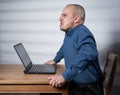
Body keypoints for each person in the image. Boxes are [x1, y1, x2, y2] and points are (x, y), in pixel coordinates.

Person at [45, 4, 104, 95]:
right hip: (76, 84)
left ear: (76, 19)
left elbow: (87, 55)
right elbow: (64, 46)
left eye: (64, 15)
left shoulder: (82, 32)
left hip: (87, 89)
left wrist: (65, 76)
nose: (60, 18)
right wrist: (55, 60)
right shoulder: (70, 33)